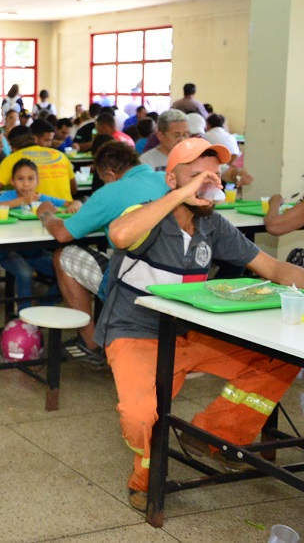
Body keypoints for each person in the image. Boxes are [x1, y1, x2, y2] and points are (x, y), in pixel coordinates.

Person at [101, 138, 304, 512]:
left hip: (192, 332)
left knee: (282, 357)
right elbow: (120, 235)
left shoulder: (212, 225)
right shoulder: (149, 215)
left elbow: (273, 268)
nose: (208, 183)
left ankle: (214, 435)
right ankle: (145, 479)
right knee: (142, 414)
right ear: (172, 181)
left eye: (212, 176)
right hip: (135, 332)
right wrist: (182, 195)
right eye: (195, 176)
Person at [37, 142, 169, 367]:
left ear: (109, 174)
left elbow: (62, 233)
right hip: (171, 275)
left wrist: (46, 214)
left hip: (133, 281)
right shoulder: (166, 179)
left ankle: (92, 344)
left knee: (63, 255)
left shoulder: (111, 191)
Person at [0, 158, 79, 310]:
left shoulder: (41, 198)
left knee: (67, 273)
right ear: (12, 181)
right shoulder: (9, 196)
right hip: (9, 251)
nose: (26, 184)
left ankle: (42, 308)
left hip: (34, 251)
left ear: (38, 181)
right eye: (20, 179)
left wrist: (75, 205)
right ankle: (23, 318)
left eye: (31, 179)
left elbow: (71, 203)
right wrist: (22, 201)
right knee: (24, 273)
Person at [0, 119, 77, 201]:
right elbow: (74, 189)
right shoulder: (60, 155)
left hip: (36, 212)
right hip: (66, 211)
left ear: (13, 148)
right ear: (34, 139)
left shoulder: (14, 158)